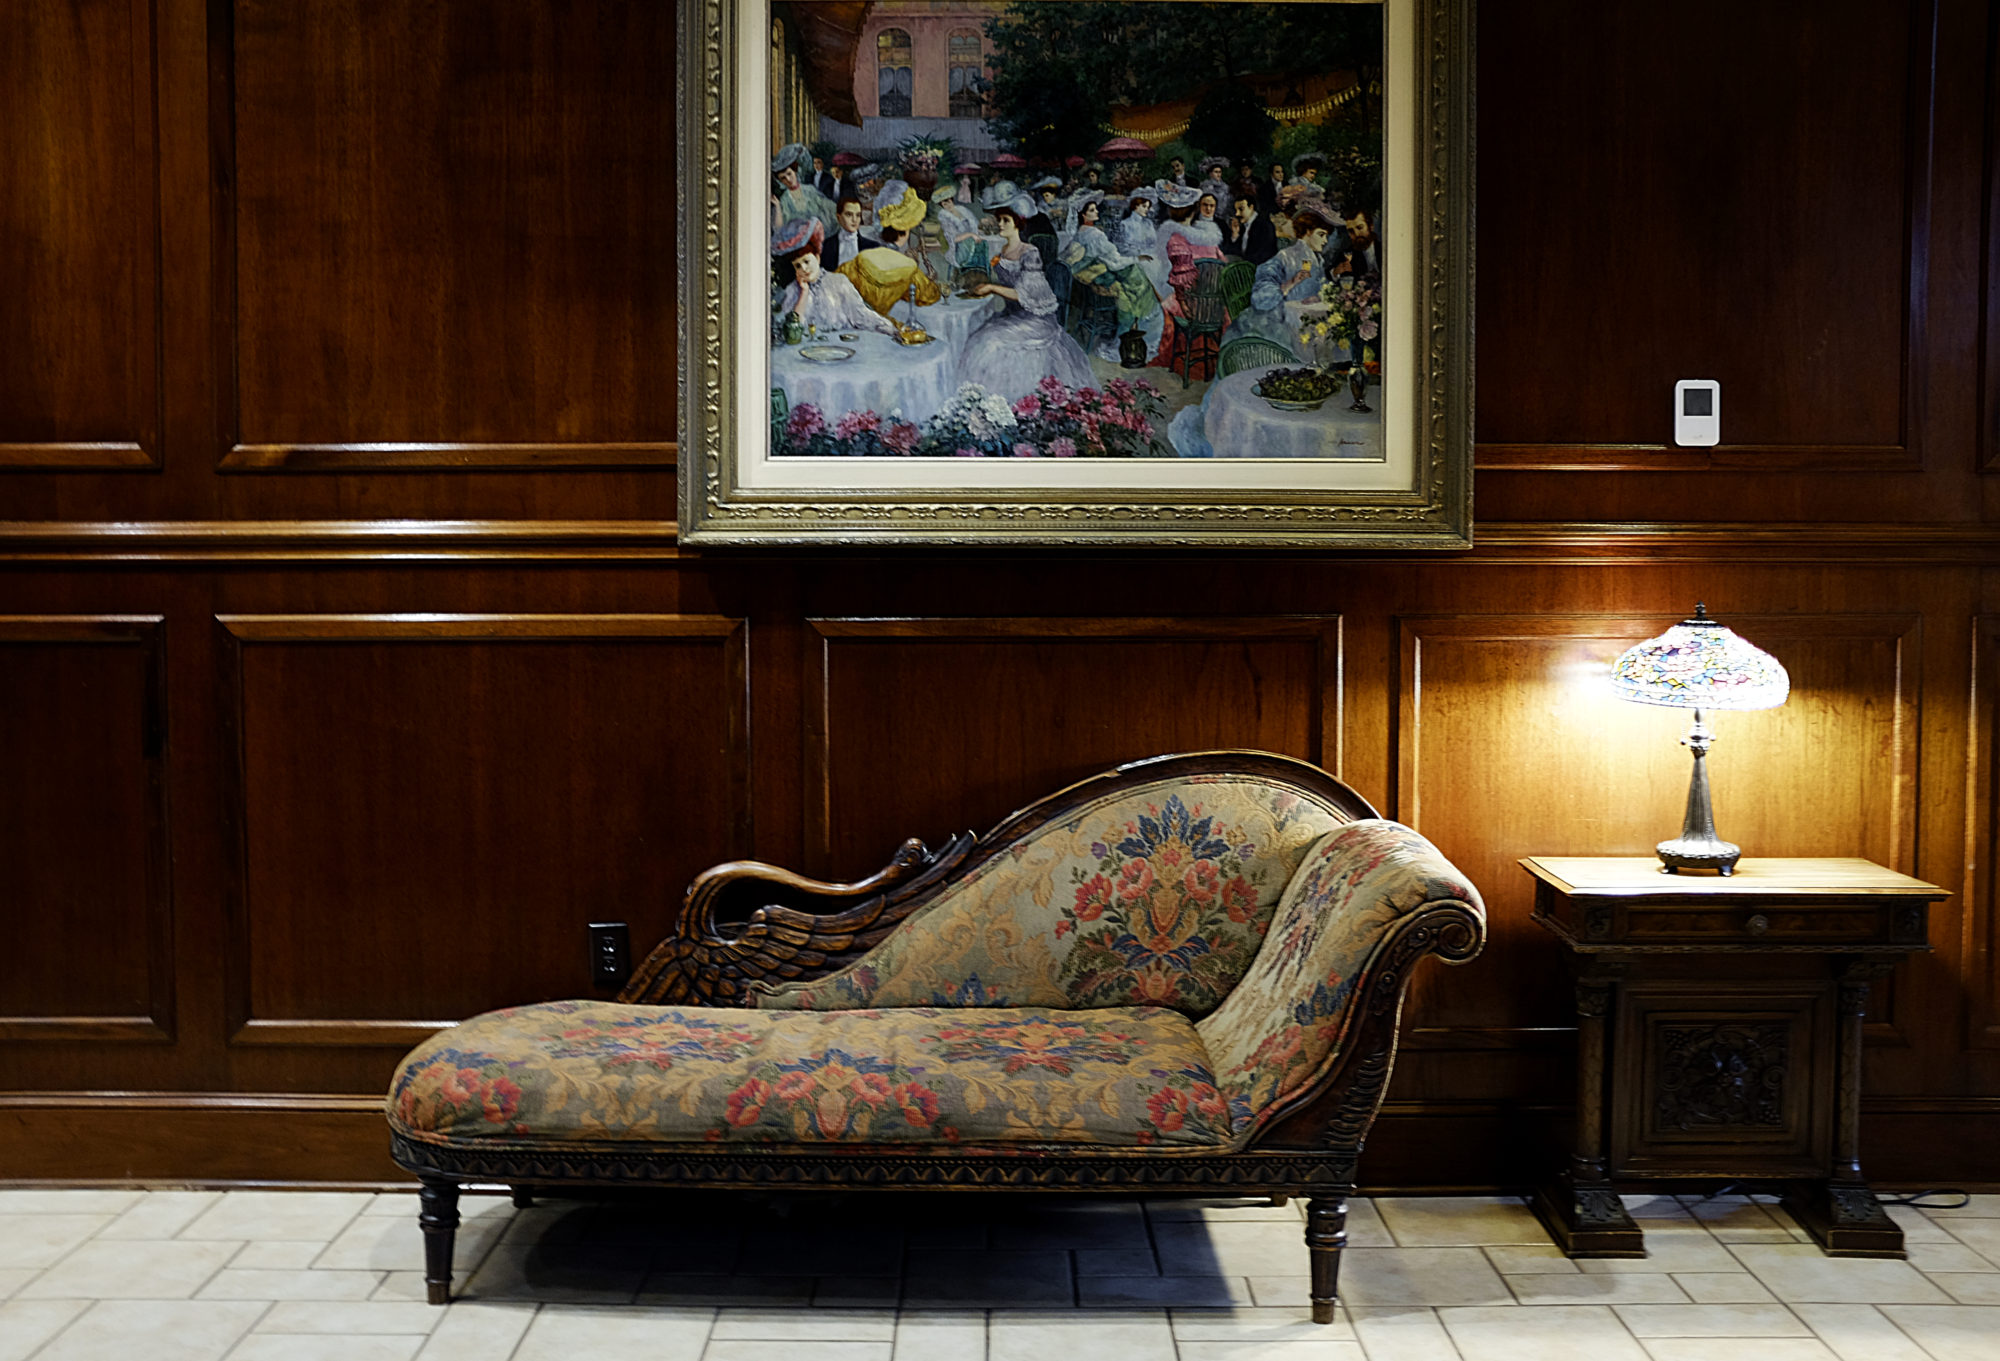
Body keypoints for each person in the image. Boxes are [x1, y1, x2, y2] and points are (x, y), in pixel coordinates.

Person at [956, 192, 1096, 402]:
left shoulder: (1029, 253)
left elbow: (1025, 294)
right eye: (999, 220)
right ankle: (982, 401)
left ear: (1018, 223)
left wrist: (992, 288)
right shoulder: (1003, 251)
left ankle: (1008, 402)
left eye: (1005, 220)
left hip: (1035, 320)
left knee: (990, 343)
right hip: (1012, 316)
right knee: (978, 338)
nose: (1000, 224)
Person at [1219, 202, 1338, 359]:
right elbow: (1260, 297)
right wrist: (1290, 284)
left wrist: (1325, 289)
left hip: (1308, 319)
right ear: (1307, 232)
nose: (1325, 241)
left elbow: (1320, 289)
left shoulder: (1317, 260)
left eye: (1326, 236)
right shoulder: (1285, 256)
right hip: (1278, 321)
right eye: (1321, 235)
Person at [1060, 192, 1163, 362]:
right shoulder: (1096, 235)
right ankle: (1137, 337)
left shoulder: (1080, 233)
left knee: (1142, 279)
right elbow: (1115, 262)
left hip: (1094, 277)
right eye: (1092, 210)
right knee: (1142, 286)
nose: (1097, 213)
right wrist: (1137, 258)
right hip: (1103, 277)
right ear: (1083, 215)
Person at [771, 218, 897, 339]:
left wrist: (888, 328)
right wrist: (804, 293)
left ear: (818, 258)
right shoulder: (793, 290)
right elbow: (792, 331)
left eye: (806, 261)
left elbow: (861, 315)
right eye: (798, 266)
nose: (803, 268)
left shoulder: (838, 282)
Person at [771, 143, 837, 236]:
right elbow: (778, 229)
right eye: (783, 178)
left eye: (789, 174)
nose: (788, 180)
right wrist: (777, 206)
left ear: (795, 171)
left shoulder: (810, 190)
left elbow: (829, 207)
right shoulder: (785, 200)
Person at [931, 183, 985, 278]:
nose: (947, 205)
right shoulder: (945, 218)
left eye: (948, 201)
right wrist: (971, 234)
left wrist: (979, 230)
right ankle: (967, 276)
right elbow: (954, 239)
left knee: (985, 244)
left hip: (972, 242)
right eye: (943, 204)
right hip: (958, 248)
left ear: (952, 200)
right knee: (978, 250)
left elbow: (974, 226)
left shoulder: (963, 210)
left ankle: (980, 276)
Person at [823, 196, 879, 273]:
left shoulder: (872, 247)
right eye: (849, 214)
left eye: (858, 215)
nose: (854, 220)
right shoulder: (827, 246)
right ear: (839, 217)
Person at [1223, 193, 1278, 266]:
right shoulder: (1242, 227)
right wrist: (1235, 235)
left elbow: (1264, 254)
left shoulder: (1265, 225)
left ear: (1251, 207)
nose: (1237, 214)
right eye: (1236, 210)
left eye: (1241, 209)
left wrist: (1244, 264)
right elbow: (1234, 251)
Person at [1327, 207, 1380, 279]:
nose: (1357, 234)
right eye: (1351, 231)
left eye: (1360, 227)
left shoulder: (1384, 248)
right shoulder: (1348, 254)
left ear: (1370, 226)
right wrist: (1335, 272)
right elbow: (1329, 273)